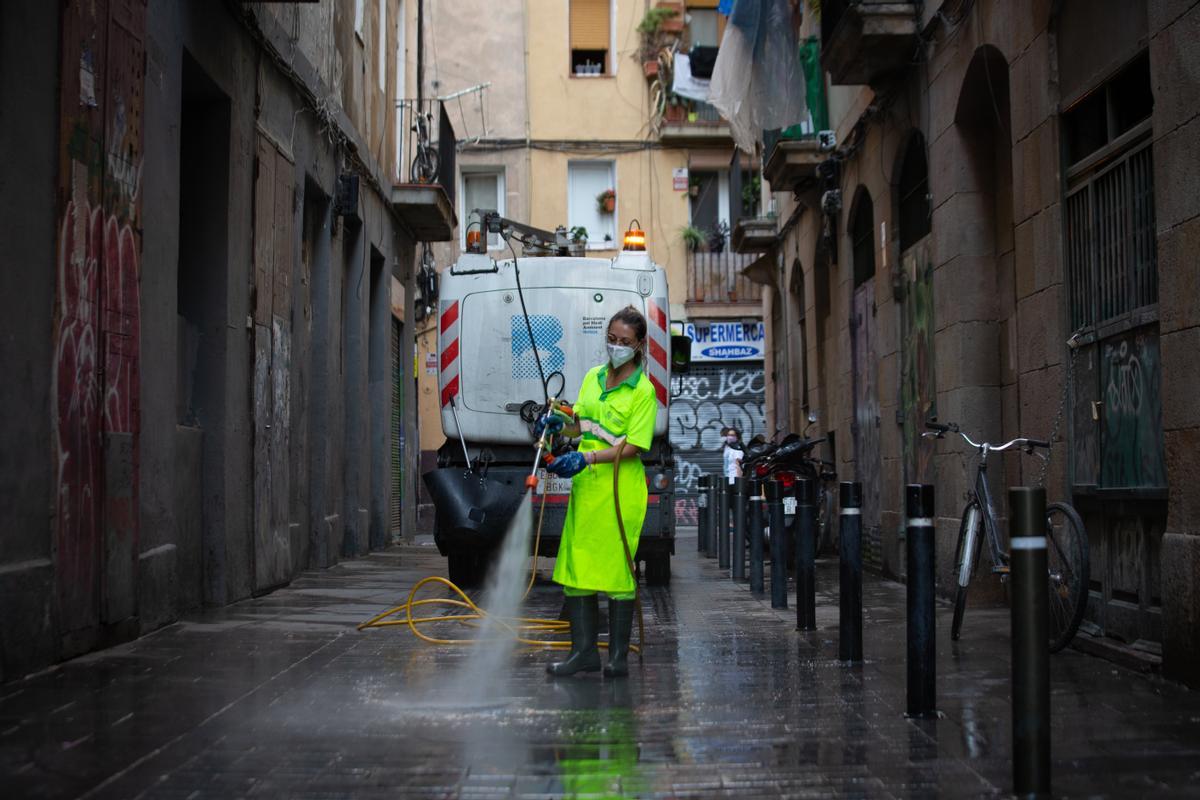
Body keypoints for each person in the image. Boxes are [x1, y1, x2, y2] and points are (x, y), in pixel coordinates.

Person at [535, 306, 658, 678]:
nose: (616, 346)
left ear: (638, 346)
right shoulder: (592, 377)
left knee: (617, 573)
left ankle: (617, 658)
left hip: (620, 489)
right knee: (576, 570)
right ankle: (583, 652)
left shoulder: (643, 391)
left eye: (624, 342)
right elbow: (583, 425)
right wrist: (561, 425)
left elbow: (634, 445)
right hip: (588, 490)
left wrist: (586, 457)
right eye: (612, 339)